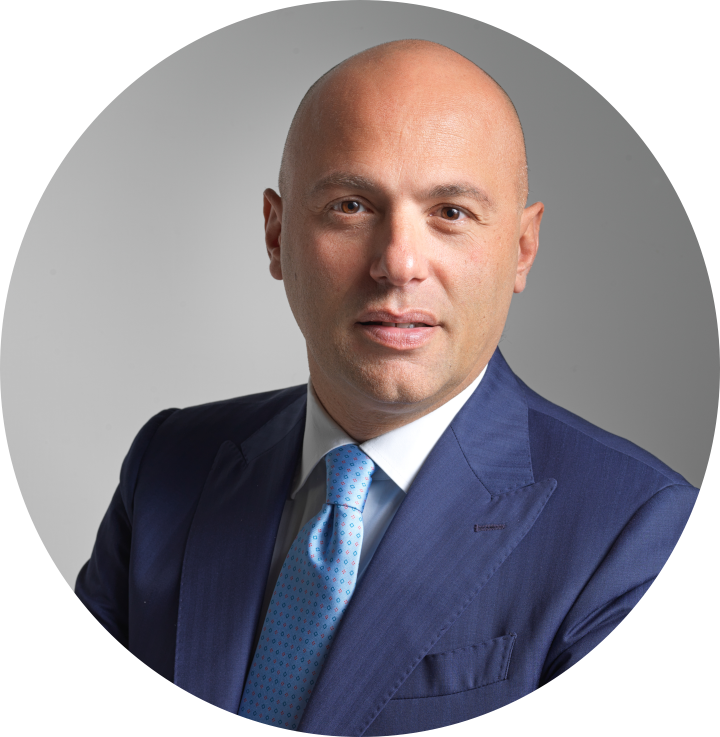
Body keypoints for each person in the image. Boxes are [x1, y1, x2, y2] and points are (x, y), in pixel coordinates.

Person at [75, 40, 699, 734]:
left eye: (451, 212)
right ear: (276, 235)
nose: (399, 264)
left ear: (522, 249)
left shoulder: (636, 532)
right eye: (350, 205)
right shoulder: (167, 464)